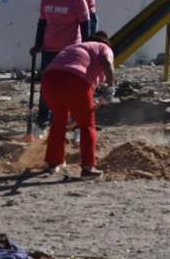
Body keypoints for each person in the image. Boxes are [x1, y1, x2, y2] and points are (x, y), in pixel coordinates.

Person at [41, 31, 115, 178]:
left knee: (59, 121)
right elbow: (106, 62)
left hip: (49, 81)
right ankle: (88, 167)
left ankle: (54, 162)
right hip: (75, 81)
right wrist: (111, 87)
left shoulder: (74, 47)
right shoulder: (103, 47)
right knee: (87, 124)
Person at [29, 0, 90, 131]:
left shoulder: (77, 0)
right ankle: (42, 122)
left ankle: (76, 125)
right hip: (49, 51)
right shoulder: (46, 0)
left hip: (70, 53)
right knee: (47, 88)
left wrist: (86, 50)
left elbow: (85, 26)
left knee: (72, 89)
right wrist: (37, 45)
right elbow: (41, 24)